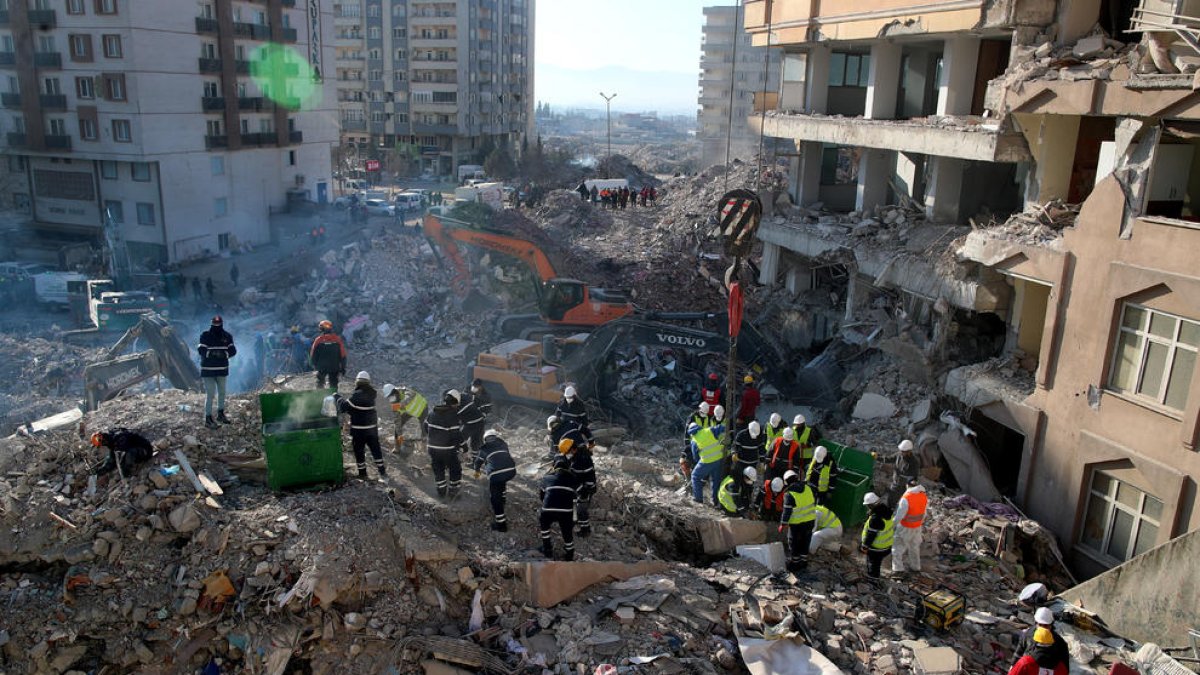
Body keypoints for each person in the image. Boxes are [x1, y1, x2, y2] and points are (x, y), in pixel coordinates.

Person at [334, 371, 386, 480]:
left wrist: (337, 397)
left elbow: (344, 407)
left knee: (359, 451)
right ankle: (382, 471)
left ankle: (363, 473)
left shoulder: (357, 395)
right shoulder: (372, 394)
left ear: (357, 382)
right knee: (375, 450)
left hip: (359, 431)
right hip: (372, 430)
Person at [472, 429, 516, 531]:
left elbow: (478, 462)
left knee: (495, 499)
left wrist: (477, 472)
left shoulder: (484, 449)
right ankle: (503, 499)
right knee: (502, 480)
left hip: (496, 474)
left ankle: (501, 525)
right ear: (496, 437)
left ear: (485, 439)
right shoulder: (503, 444)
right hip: (511, 471)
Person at [197, 315, 236, 429]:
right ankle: (208, 418)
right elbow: (201, 350)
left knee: (222, 392)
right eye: (215, 324)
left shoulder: (227, 336)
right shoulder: (205, 335)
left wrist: (225, 354)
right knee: (210, 394)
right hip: (208, 370)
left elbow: (233, 350)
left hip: (222, 369)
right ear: (211, 324)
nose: (217, 326)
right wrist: (213, 354)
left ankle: (220, 414)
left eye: (218, 324)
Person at [425, 390, 465, 499]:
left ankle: (441, 491)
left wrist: (434, 438)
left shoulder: (432, 412)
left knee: (438, 469)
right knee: (455, 468)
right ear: (454, 402)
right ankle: (453, 492)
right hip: (446, 449)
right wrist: (461, 447)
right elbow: (455, 436)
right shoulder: (453, 416)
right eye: (457, 404)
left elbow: (426, 426)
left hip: (432, 448)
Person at [540, 452, 578, 560]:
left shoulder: (546, 478)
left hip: (548, 509)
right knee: (567, 532)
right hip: (566, 511)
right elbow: (576, 497)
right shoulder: (573, 478)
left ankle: (547, 550)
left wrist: (549, 503)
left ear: (554, 464)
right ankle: (569, 554)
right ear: (567, 464)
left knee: (544, 524)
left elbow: (542, 496)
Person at [778, 470, 816, 573]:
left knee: (794, 542)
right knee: (805, 540)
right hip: (810, 521)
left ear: (786, 481)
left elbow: (787, 511)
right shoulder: (808, 488)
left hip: (796, 524)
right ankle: (803, 562)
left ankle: (795, 563)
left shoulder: (789, 494)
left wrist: (783, 523)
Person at [762, 427, 800, 519]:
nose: (788, 441)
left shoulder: (795, 446)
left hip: (786, 471)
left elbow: (796, 462)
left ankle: (778, 511)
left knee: (783, 490)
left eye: (789, 440)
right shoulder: (777, 441)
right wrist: (766, 464)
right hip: (774, 468)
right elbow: (769, 453)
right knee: (770, 486)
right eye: (786, 439)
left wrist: (793, 474)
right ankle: (766, 509)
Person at [563, 435, 597, 536]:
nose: (568, 454)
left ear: (573, 449)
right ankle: (575, 520)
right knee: (575, 504)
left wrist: (585, 491)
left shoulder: (581, 460)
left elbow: (588, 477)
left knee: (582, 509)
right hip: (581, 486)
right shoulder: (579, 453)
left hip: (586, 488)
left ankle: (585, 530)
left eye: (568, 452)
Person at [892, 479, 927, 574]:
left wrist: (891, 526)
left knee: (897, 548)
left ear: (907, 485)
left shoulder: (906, 498)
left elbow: (899, 516)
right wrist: (919, 523)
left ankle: (898, 570)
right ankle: (915, 567)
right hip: (917, 527)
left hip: (905, 527)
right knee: (914, 547)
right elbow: (924, 513)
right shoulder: (923, 495)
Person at [687, 422, 726, 505]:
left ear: (691, 432)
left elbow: (695, 457)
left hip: (707, 461)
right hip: (719, 458)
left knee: (695, 476)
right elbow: (722, 427)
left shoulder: (694, 441)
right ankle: (715, 501)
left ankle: (698, 499)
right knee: (716, 481)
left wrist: (700, 463)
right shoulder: (709, 430)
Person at [89, 428, 154, 477]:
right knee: (115, 458)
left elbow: (123, 454)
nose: (103, 445)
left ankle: (130, 473)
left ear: (103, 440)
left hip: (146, 450)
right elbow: (112, 459)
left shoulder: (119, 438)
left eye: (102, 444)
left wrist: (124, 469)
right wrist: (101, 470)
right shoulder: (112, 440)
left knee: (128, 454)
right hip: (136, 451)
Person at [382, 384, 427, 453]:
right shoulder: (395, 405)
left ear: (395, 391)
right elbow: (397, 422)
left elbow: (411, 395)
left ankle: (424, 448)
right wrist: (399, 436)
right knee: (397, 428)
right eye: (390, 397)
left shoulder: (404, 390)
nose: (392, 398)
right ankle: (397, 448)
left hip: (422, 408)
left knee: (423, 428)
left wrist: (401, 404)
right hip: (409, 412)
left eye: (392, 395)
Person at [860, 492, 894, 579]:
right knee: (877, 563)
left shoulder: (876, 519)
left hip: (877, 548)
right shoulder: (887, 511)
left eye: (868, 505)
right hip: (887, 546)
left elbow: (871, 535)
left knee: (873, 564)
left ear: (871, 505)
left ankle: (873, 580)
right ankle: (875, 576)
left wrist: (865, 546)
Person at [310, 320, 347, 390]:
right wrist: (343, 367)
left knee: (320, 384)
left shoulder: (318, 340)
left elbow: (312, 354)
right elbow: (343, 355)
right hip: (334, 367)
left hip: (321, 367)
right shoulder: (337, 339)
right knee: (333, 385)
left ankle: (319, 398)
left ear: (321, 329)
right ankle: (334, 398)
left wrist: (314, 365)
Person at [456, 386, 486, 454]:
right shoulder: (465, 396)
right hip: (479, 422)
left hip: (472, 424)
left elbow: (455, 420)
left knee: (461, 439)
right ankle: (478, 459)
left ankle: (456, 455)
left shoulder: (460, 407)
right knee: (476, 443)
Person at [890, 439, 921, 505]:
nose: (901, 452)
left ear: (909, 451)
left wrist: (911, 486)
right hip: (896, 482)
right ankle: (890, 511)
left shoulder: (914, 462)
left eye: (903, 451)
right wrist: (877, 457)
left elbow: (914, 476)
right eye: (901, 451)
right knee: (891, 500)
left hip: (904, 484)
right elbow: (888, 458)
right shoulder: (899, 455)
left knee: (901, 502)